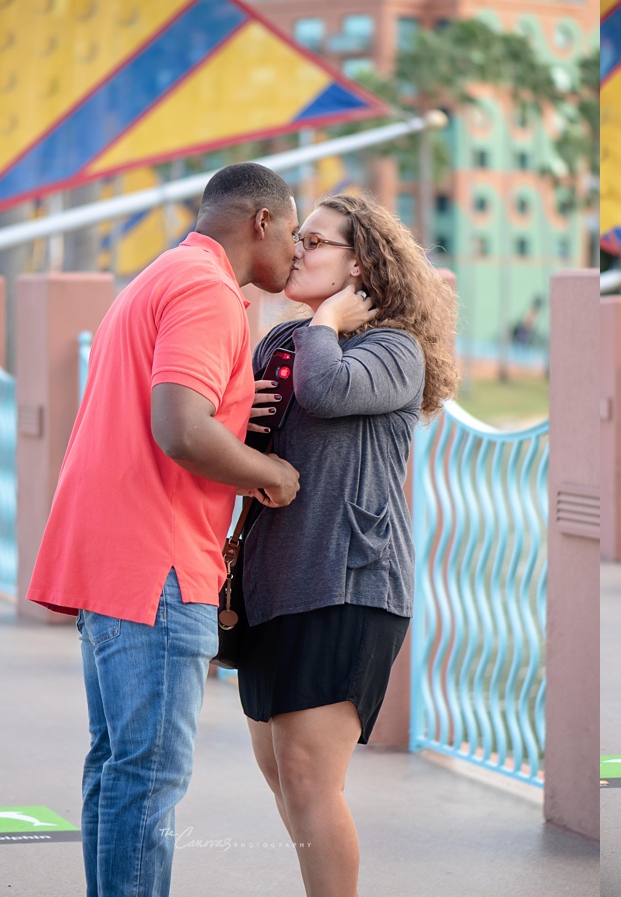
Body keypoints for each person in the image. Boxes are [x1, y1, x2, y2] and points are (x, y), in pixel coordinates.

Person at [26, 162, 302, 897]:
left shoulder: (157, 276)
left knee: (116, 769)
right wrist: (268, 474)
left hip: (111, 557)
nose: (299, 253)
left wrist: (241, 425)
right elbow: (180, 429)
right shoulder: (211, 292)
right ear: (262, 222)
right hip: (158, 567)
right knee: (147, 780)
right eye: (297, 233)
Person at [236, 193, 459, 896]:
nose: (296, 249)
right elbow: (248, 441)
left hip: (348, 582)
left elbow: (328, 392)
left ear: (360, 262)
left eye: (316, 241)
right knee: (283, 776)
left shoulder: (393, 350)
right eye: (297, 238)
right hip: (272, 585)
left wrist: (328, 319)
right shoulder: (281, 343)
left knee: (309, 778)